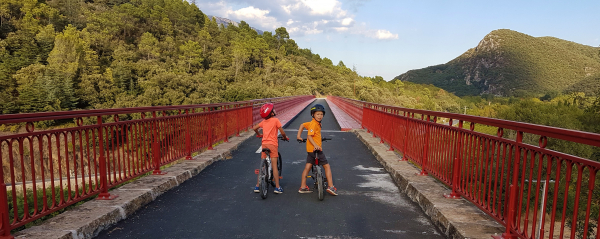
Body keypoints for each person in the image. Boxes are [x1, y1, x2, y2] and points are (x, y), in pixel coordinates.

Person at [296, 104, 337, 196]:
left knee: (308, 167)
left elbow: (302, 125)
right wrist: (316, 145)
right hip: (316, 150)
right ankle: (330, 186)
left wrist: (298, 136)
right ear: (313, 114)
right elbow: (309, 136)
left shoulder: (312, 123)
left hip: (310, 151)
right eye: (317, 114)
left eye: (321, 114)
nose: (319, 116)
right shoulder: (314, 124)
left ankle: (303, 187)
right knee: (326, 166)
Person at [253, 103, 288, 194]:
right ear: (271, 113)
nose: (275, 111)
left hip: (264, 145)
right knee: (274, 166)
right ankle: (277, 187)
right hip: (272, 145)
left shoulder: (263, 122)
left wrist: (259, 134)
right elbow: (282, 131)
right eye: (273, 110)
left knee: (263, 166)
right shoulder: (276, 120)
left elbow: (254, 128)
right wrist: (284, 137)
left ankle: (257, 186)